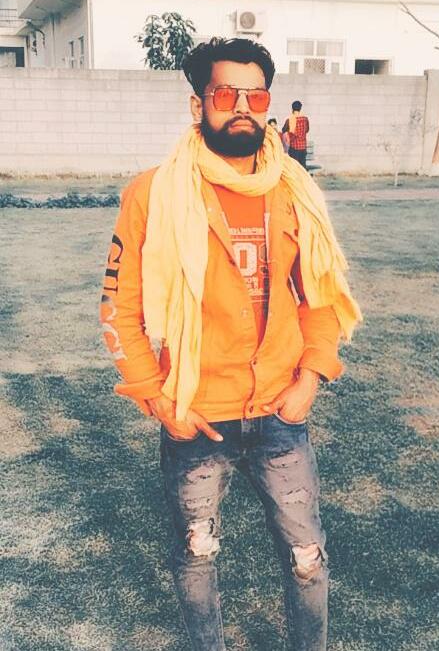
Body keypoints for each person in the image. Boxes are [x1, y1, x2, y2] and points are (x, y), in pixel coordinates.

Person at [99, 37, 362, 651]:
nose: (243, 107)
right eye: (226, 94)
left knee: (307, 556)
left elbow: (320, 295)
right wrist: (158, 399)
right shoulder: (152, 193)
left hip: (279, 411)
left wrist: (309, 380)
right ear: (198, 104)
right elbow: (119, 305)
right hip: (196, 415)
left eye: (256, 96)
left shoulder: (293, 189)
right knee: (196, 557)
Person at [282, 100, 309, 168]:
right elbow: (307, 130)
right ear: (300, 108)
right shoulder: (305, 119)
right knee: (302, 167)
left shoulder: (290, 119)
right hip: (303, 147)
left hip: (294, 148)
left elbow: (284, 130)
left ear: (292, 109)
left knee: (294, 168)